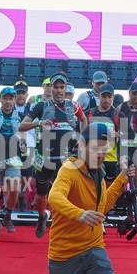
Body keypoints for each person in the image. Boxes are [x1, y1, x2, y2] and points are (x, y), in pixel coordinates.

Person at [48, 123, 136, 274]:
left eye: (105, 151)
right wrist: (79, 214)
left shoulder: (99, 173)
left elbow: (101, 208)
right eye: (96, 149)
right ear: (81, 145)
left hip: (94, 249)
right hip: (64, 257)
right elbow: (54, 196)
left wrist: (122, 178)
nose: (101, 155)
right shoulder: (70, 168)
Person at [19, 71, 87, 238]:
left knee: (65, 193)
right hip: (45, 158)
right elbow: (21, 126)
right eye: (55, 87)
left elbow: (84, 119)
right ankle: (42, 217)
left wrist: (82, 139)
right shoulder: (41, 106)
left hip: (66, 158)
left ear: (66, 88)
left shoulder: (73, 106)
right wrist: (38, 123)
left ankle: (63, 224)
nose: (58, 90)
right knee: (42, 194)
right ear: (50, 88)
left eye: (62, 87)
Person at [0, 87, 25, 236]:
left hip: (13, 158)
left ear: (14, 100)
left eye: (10, 98)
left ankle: (7, 215)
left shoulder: (20, 115)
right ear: (0, 99)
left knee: (14, 189)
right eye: (5, 98)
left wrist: (24, 146)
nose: (8, 101)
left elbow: (23, 132)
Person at [85, 83, 119, 183]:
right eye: (104, 96)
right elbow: (79, 133)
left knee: (109, 188)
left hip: (110, 159)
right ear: (99, 96)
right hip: (92, 157)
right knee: (92, 186)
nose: (107, 100)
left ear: (113, 97)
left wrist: (118, 134)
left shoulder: (118, 115)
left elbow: (130, 135)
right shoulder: (89, 114)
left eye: (109, 97)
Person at [13, 79, 36, 211]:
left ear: (27, 95)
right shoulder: (10, 107)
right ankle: (13, 198)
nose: (20, 96)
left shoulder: (32, 108)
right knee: (13, 173)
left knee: (27, 174)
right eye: (18, 93)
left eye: (23, 93)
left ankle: (22, 195)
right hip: (13, 144)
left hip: (29, 144)